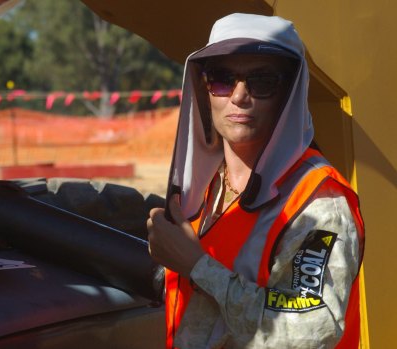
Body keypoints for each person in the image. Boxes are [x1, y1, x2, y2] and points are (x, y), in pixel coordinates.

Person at [147, 13, 365, 349]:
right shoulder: (202, 188)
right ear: (205, 88)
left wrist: (197, 267)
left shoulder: (319, 203)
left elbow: (308, 331)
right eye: (222, 78)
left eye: (261, 81)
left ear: (288, 94)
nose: (239, 96)